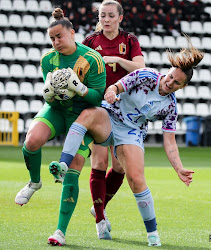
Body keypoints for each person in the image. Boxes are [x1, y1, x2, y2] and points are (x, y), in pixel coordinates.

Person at [49, 35, 204, 246]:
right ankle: (64, 164)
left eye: (176, 83)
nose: (169, 83)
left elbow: (170, 141)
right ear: (166, 72)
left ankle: (153, 234)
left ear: (182, 87)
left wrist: (179, 168)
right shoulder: (146, 75)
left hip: (131, 133)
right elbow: (116, 87)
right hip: (110, 117)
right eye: (169, 77)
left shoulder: (170, 107)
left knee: (136, 179)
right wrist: (112, 92)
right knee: (87, 115)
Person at [15, 5, 106, 229]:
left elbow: (97, 99)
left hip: (83, 115)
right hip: (58, 110)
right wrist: (50, 95)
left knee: (74, 168)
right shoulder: (48, 60)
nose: (56, 42)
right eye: (52, 38)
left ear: (72, 33)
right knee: (31, 141)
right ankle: (34, 182)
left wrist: (80, 89)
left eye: (59, 36)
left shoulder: (92, 59)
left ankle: (60, 231)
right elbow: (50, 100)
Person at [81, 0, 145, 239]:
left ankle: (99, 207)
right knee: (99, 161)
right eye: (102, 15)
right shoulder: (89, 42)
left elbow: (140, 69)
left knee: (119, 166)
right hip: (98, 106)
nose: (106, 19)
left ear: (120, 17)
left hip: (124, 109)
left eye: (110, 15)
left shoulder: (129, 41)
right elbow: (79, 67)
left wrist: (117, 61)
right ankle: (100, 220)